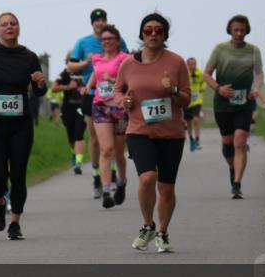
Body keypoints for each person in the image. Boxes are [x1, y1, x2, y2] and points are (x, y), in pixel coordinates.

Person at [115, 13, 190, 253]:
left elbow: (186, 100)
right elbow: (118, 91)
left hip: (171, 133)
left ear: (166, 35)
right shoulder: (128, 63)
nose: (153, 34)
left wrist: (174, 90)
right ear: (141, 34)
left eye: (159, 30)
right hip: (139, 130)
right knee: (147, 178)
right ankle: (147, 225)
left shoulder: (176, 62)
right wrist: (123, 101)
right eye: (148, 30)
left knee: (166, 187)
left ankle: (163, 232)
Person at [0, 12, 48, 240]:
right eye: (4, 24)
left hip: (21, 126)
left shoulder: (29, 57)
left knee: (18, 175)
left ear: (19, 28)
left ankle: (15, 222)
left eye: (13, 24)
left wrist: (40, 84)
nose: (9, 27)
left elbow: (39, 92)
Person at [69, 9, 129, 199]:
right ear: (92, 23)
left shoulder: (122, 50)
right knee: (98, 141)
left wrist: (121, 88)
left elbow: (130, 70)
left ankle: (118, 178)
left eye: (102, 19)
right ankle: (100, 181)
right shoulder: (84, 44)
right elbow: (72, 66)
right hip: (95, 99)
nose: (99, 22)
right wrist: (86, 78)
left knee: (118, 150)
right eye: (96, 20)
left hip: (118, 102)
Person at [203, 14, 263, 199]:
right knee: (228, 145)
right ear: (230, 30)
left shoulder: (253, 50)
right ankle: (232, 167)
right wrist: (219, 88)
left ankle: (237, 184)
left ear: (247, 31)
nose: (238, 34)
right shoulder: (220, 49)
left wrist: (256, 88)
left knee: (240, 140)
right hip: (223, 103)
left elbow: (259, 74)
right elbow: (206, 74)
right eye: (235, 30)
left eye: (242, 31)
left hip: (245, 102)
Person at [84, 24, 130, 209]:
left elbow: (130, 80)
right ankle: (106, 191)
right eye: (104, 39)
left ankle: (122, 181)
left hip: (119, 108)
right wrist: (88, 86)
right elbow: (97, 75)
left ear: (117, 41)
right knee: (106, 150)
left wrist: (115, 81)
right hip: (100, 106)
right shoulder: (97, 58)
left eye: (110, 38)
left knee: (119, 153)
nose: (107, 42)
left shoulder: (125, 59)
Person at [53, 52, 86, 174]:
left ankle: (78, 163)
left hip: (82, 107)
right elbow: (54, 88)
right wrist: (68, 87)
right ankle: (73, 153)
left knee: (79, 135)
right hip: (68, 108)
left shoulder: (85, 72)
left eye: (76, 60)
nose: (73, 63)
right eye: (70, 61)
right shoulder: (65, 73)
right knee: (71, 136)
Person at [184, 57, 204, 151]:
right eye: (191, 64)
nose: (193, 66)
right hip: (187, 101)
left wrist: (203, 87)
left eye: (194, 64)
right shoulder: (184, 74)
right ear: (187, 65)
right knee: (188, 122)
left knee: (196, 119)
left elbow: (204, 82)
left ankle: (197, 140)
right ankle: (191, 139)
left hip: (197, 100)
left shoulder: (200, 73)